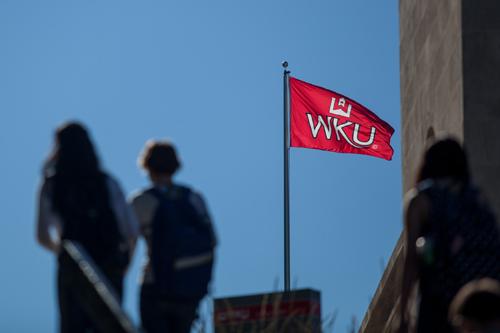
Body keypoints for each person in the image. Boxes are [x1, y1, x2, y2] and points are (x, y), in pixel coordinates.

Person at [37, 122, 140, 333]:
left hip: (73, 269)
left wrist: (65, 254)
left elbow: (42, 235)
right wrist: (124, 265)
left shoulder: (51, 185)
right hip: (110, 264)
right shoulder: (107, 182)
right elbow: (131, 232)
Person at [395, 138, 500, 333]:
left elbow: (410, 259)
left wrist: (402, 315)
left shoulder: (421, 198)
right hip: (487, 302)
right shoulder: (478, 195)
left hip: (440, 305)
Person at [130, 140, 216, 333]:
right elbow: (213, 240)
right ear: (176, 166)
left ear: (147, 166)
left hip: (155, 285)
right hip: (189, 286)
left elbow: (127, 244)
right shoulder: (194, 198)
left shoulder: (141, 201)